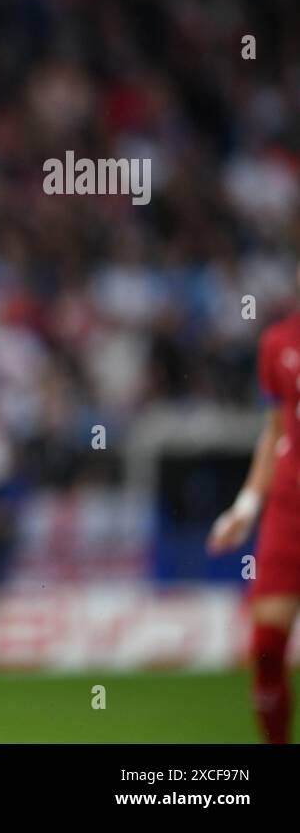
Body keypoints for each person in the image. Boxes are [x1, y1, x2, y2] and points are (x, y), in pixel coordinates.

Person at [208, 271, 300, 743]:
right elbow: (275, 430)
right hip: (290, 508)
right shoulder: (278, 344)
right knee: (265, 649)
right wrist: (246, 504)